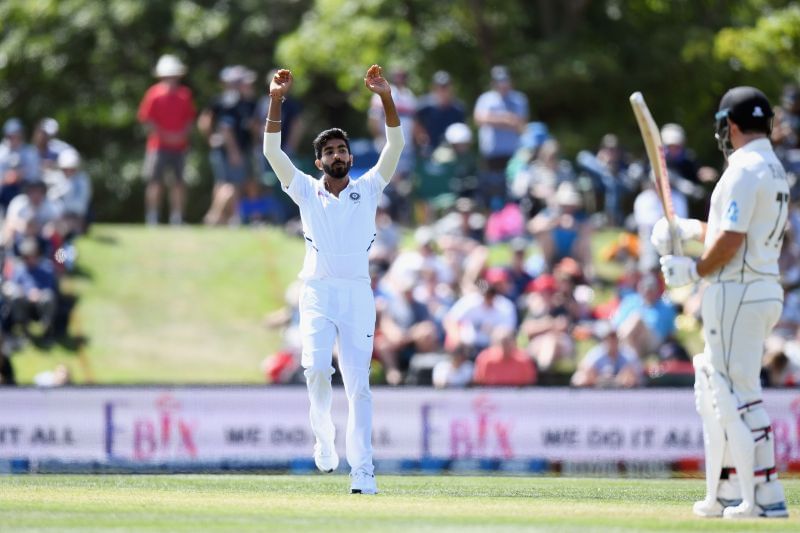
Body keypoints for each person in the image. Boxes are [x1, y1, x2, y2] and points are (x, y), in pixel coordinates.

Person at [263, 65, 404, 495]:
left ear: (350, 157)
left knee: (359, 385)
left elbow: (395, 144)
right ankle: (324, 439)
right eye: (330, 152)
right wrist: (275, 100)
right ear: (320, 160)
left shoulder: (369, 187)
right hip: (318, 292)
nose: (338, 156)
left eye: (343, 150)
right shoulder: (305, 190)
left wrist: (385, 97)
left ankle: (362, 471)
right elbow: (272, 153)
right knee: (315, 370)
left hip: (358, 293)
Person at [654, 86, 790, 518]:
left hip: (738, 290)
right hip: (762, 286)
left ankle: (762, 498)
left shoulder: (743, 169)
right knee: (724, 392)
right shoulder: (772, 168)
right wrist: (688, 231)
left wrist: (693, 272)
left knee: (735, 395)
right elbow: (733, 232)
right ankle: (735, 491)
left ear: (730, 126)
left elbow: (731, 240)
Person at [137, 54, 195, 225]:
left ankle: (177, 217)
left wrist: (181, 135)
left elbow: (190, 119)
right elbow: (147, 120)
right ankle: (152, 217)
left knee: (178, 183)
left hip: (180, 147)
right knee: (155, 182)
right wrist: (165, 136)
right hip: (158, 146)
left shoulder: (185, 95)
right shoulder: (153, 94)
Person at [473, 65, 529, 206]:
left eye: (505, 80)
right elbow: (479, 119)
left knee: (514, 188)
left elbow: (520, 123)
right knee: (493, 189)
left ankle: (513, 219)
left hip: (513, 153)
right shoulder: (485, 99)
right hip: (492, 154)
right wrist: (505, 119)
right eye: (499, 81)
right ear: (493, 83)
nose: (503, 84)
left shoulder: (519, 99)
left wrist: (494, 119)